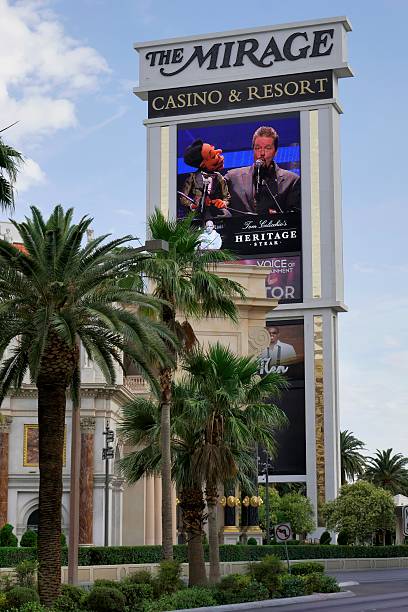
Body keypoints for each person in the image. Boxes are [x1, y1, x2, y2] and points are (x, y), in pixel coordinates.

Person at [225, 126, 300, 216]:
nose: (262, 153)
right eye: (258, 148)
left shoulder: (291, 181)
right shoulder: (233, 178)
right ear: (253, 150)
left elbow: (296, 219)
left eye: (268, 148)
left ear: (275, 152)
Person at [179, 139, 231, 220]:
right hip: (198, 213)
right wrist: (192, 205)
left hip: (216, 212)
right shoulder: (192, 177)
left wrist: (223, 203)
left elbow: (227, 197)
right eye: (213, 156)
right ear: (203, 164)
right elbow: (183, 198)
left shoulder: (219, 177)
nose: (219, 153)